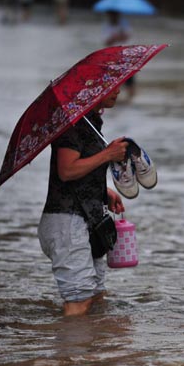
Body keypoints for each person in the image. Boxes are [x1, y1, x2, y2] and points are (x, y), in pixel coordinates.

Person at [38, 88, 129, 316]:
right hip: (68, 221)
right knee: (79, 300)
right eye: (111, 86)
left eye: (118, 84)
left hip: (89, 220)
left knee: (96, 297)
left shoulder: (91, 123)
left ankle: (91, 349)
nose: (118, 90)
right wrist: (107, 155)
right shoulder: (74, 124)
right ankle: (69, 349)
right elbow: (67, 170)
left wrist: (102, 191)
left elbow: (82, 168)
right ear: (93, 90)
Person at [103, 11, 135, 101]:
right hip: (113, 57)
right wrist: (114, 37)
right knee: (113, 80)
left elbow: (127, 37)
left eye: (115, 14)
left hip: (126, 56)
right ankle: (116, 99)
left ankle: (130, 98)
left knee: (130, 80)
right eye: (111, 14)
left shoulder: (124, 24)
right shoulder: (107, 26)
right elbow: (106, 42)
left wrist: (119, 35)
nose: (113, 16)